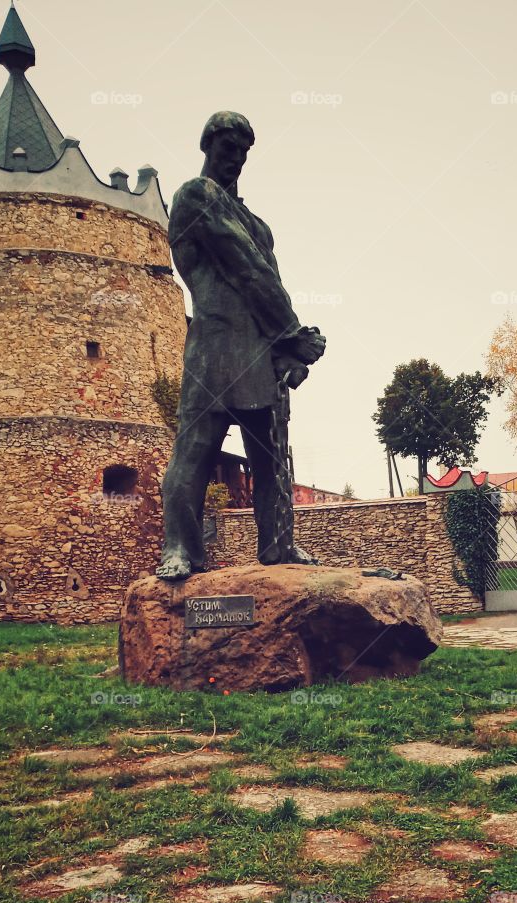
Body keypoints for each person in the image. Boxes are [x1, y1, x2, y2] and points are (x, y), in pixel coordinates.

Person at [156, 110, 326, 580]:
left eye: (243, 151)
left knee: (271, 457)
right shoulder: (196, 196)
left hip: (259, 349)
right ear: (207, 144)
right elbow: (246, 268)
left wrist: (284, 349)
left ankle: (278, 545)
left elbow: (267, 277)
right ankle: (180, 549)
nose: (235, 158)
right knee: (194, 452)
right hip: (213, 347)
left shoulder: (257, 221)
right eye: (228, 147)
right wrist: (294, 333)